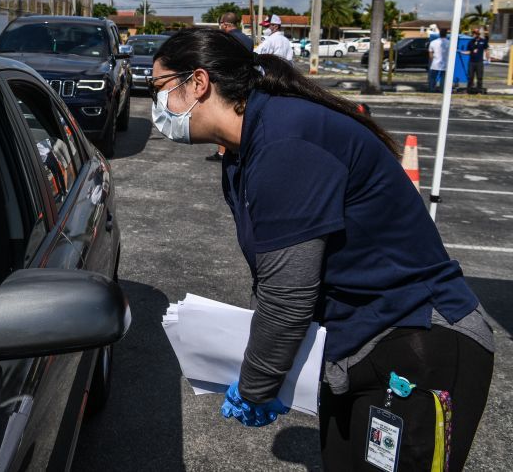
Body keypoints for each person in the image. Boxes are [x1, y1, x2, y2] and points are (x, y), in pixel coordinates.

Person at [149, 28, 493, 470]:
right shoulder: (245, 149)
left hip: (417, 345)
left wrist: (258, 382)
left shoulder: (285, 142)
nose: (158, 108)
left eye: (160, 90)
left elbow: (288, 295)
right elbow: (282, 271)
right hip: (356, 344)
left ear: (198, 83)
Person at [207, 13, 255, 163]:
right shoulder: (248, 40)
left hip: (228, 82)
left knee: (222, 116)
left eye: (221, 24)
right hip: (245, 81)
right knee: (241, 116)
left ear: (226, 24)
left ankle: (222, 153)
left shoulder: (226, 40)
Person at [461, 28, 489, 94]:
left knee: (479, 77)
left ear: (478, 34)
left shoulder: (483, 41)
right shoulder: (470, 42)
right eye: (474, 33)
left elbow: (486, 50)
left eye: (477, 33)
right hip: (472, 62)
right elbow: (468, 52)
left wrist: (488, 59)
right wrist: (461, 52)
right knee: (470, 77)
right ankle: (469, 90)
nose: (475, 35)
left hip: (479, 62)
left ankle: (479, 90)